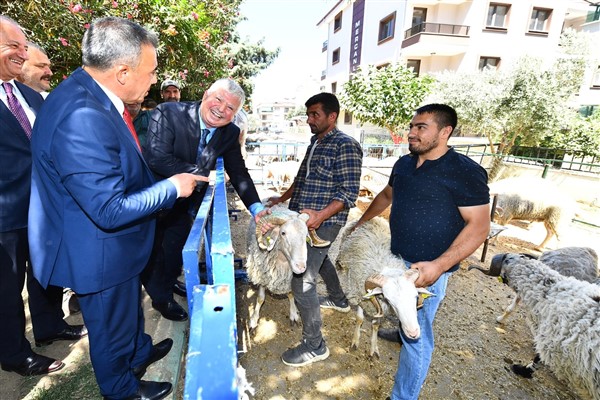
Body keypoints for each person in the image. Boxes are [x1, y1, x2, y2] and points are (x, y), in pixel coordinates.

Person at [27, 16, 206, 400]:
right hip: (97, 249)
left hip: (114, 245)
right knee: (109, 325)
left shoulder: (92, 94)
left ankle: (137, 352)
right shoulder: (82, 115)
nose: (155, 80)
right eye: (152, 70)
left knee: (127, 313)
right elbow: (108, 208)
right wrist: (173, 188)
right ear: (123, 71)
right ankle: (122, 388)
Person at [353, 104, 490, 400]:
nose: (411, 133)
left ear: (445, 132)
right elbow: (387, 195)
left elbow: (479, 227)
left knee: (418, 337)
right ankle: (401, 327)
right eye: (412, 126)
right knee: (398, 309)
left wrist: (439, 267)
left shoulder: (465, 172)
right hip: (394, 259)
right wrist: (360, 222)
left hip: (426, 271)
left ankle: (402, 397)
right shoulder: (403, 164)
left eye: (421, 128)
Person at [0, 15, 87, 378]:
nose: (21, 53)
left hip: (43, 208)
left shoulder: (32, 95)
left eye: (24, 46)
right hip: (4, 216)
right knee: (6, 289)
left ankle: (50, 326)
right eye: (13, 46)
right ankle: (14, 354)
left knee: (45, 274)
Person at [142, 78, 268, 321]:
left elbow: (239, 171)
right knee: (153, 251)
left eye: (230, 108)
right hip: (153, 197)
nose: (221, 109)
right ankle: (161, 299)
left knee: (175, 248)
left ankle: (169, 284)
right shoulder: (168, 112)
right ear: (205, 94)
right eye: (218, 99)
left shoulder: (229, 132)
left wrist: (256, 207)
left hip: (183, 204)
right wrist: (203, 174)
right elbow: (157, 158)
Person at [267, 92, 363, 367]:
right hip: (302, 219)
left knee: (303, 280)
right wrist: (282, 199)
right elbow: (301, 179)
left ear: (332, 117)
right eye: (308, 114)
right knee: (318, 261)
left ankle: (315, 345)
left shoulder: (345, 145)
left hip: (325, 221)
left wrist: (320, 216)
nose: (309, 119)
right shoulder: (315, 142)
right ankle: (339, 298)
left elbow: (348, 194)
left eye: (315, 115)